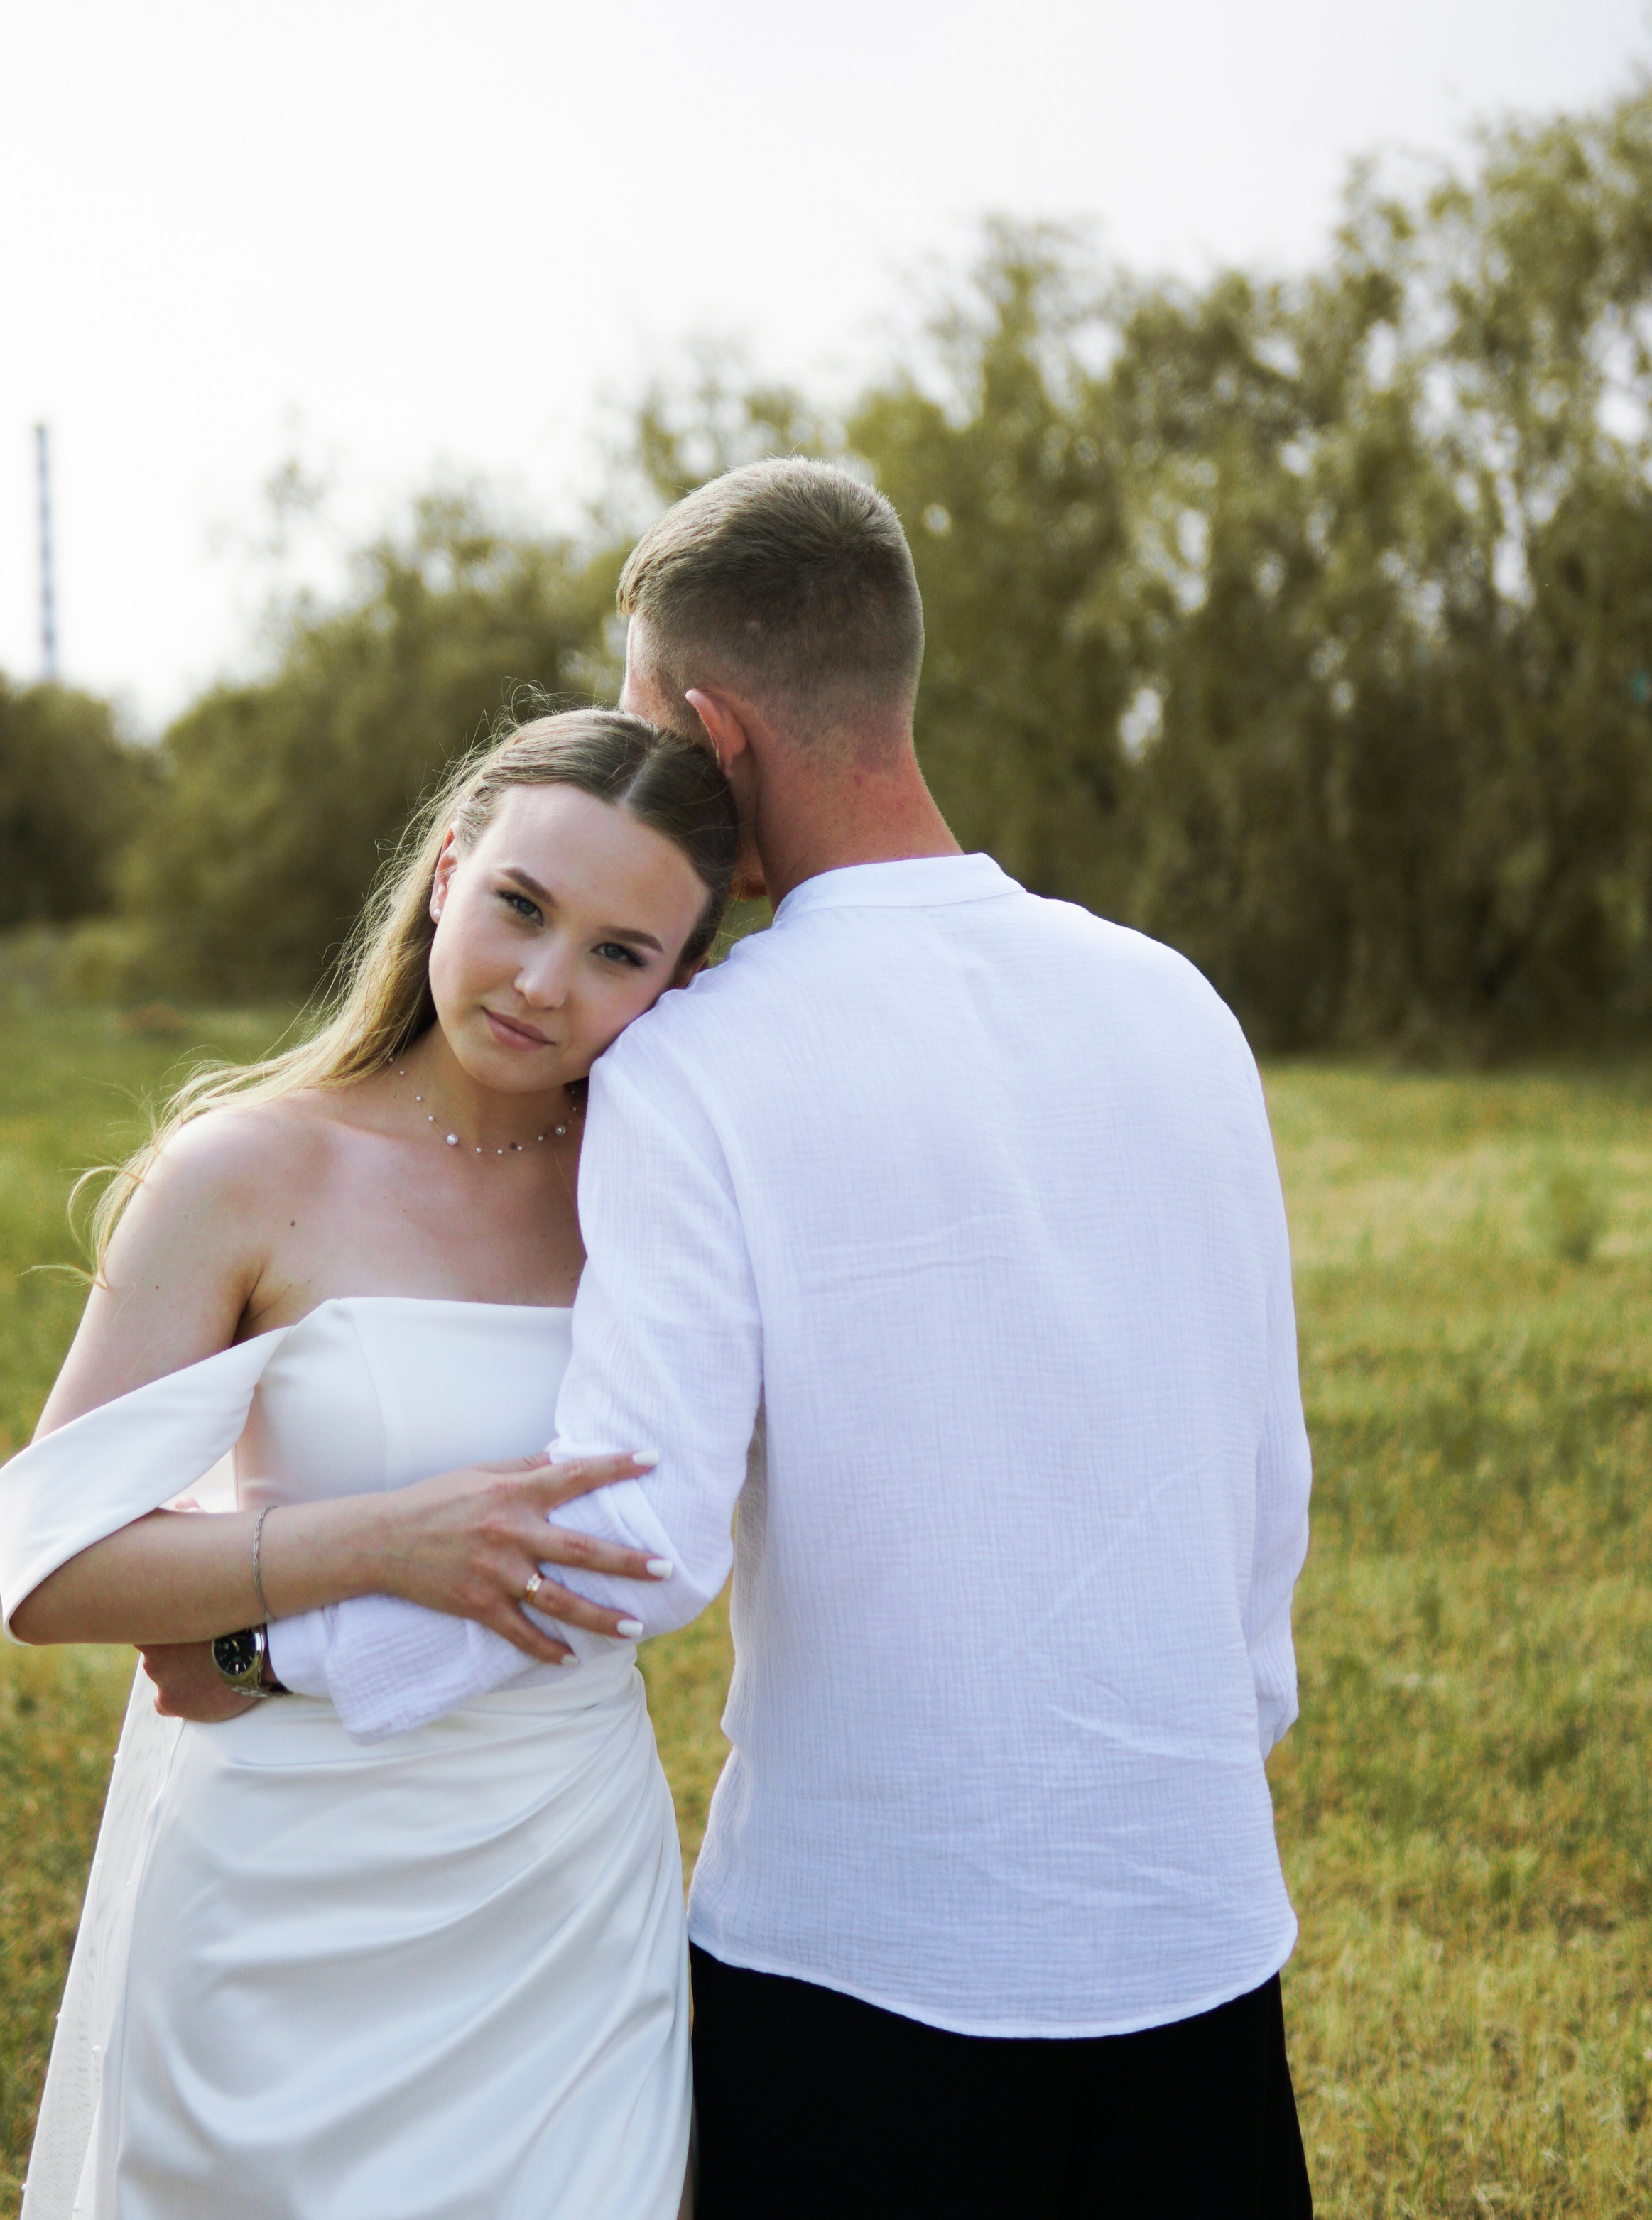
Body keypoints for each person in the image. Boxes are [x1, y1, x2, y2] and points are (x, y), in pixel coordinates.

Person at [199, 456, 1317, 2217]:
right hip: (1193, 1935)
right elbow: (1265, 1475)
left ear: (708, 732)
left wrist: (274, 1651)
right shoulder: (1172, 1001)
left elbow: (632, 1543)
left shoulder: (695, 1063)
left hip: (861, 1961)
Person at [0, 710, 737, 2220]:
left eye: (618, 953)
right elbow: (51, 1569)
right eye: (520, 906)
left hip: (559, 1886)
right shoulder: (249, 1168)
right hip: (278, 1885)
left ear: (678, 981)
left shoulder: (665, 1195)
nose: (543, 983)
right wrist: (378, 1544)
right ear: (447, 873)